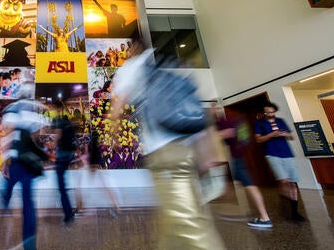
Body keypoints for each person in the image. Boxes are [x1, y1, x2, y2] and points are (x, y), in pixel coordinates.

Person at [111, 29, 224, 250]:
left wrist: (115, 132)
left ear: (133, 46)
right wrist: (208, 153)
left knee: (189, 224)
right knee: (175, 218)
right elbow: (196, 108)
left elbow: (117, 107)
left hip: (165, 153)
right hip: (188, 147)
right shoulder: (168, 63)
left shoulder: (132, 67)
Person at [0, 99, 49, 250]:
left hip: (17, 163)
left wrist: (4, 160)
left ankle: (4, 206)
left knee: (10, 191)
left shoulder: (14, 116)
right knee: (28, 203)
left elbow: (10, 139)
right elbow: (33, 141)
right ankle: (29, 245)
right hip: (25, 165)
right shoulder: (30, 120)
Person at [214, 108, 272, 228]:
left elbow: (226, 134)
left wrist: (218, 136)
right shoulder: (236, 121)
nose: (215, 109)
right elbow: (241, 138)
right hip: (238, 158)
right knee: (240, 183)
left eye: (216, 107)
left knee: (249, 185)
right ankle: (263, 216)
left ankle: (265, 218)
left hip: (238, 159)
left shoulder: (228, 122)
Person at [254, 102, 305, 222]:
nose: (270, 114)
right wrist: (271, 135)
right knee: (283, 181)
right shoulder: (259, 123)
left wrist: (285, 134)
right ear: (264, 112)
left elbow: (292, 137)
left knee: (292, 182)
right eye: (267, 112)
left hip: (287, 154)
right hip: (272, 154)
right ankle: (284, 205)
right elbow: (258, 139)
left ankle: (294, 212)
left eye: (272, 112)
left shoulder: (281, 121)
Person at [52, 101, 76, 223]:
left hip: (62, 156)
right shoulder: (68, 122)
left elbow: (57, 136)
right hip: (69, 155)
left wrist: (54, 148)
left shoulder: (58, 122)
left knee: (61, 186)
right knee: (62, 184)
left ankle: (68, 214)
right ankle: (69, 213)